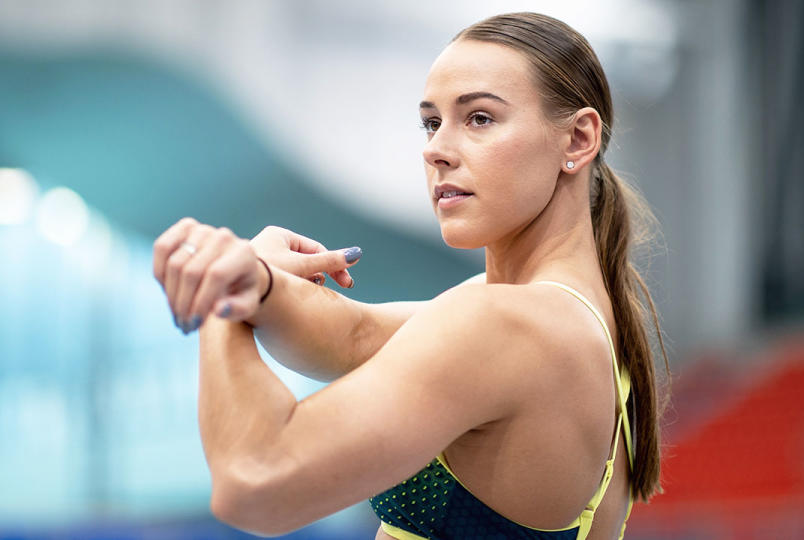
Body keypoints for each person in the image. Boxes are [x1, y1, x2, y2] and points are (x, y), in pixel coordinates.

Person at [152, 11, 669, 540]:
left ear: (578, 140)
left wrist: (218, 301)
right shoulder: (566, 316)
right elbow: (350, 334)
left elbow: (254, 486)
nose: (435, 150)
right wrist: (257, 281)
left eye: (480, 118)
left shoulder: (511, 324)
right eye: (431, 122)